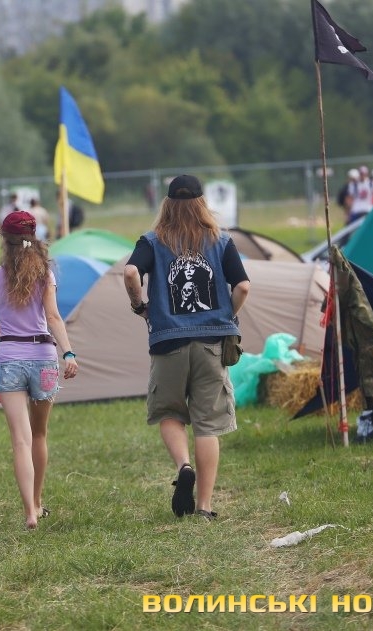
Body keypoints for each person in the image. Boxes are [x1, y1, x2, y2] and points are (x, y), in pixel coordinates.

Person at [122, 174, 250, 522]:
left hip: (169, 341)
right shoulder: (221, 240)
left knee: (169, 413)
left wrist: (140, 307)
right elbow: (242, 287)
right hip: (212, 343)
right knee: (207, 425)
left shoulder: (152, 241)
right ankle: (204, 507)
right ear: (202, 204)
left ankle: (184, 466)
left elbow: (131, 272)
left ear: (167, 205)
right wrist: (226, 316)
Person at [0, 210, 78, 529]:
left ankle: (30, 513)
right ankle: (37, 500)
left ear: (4, 241)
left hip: (9, 358)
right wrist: (68, 352)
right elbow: (54, 317)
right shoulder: (46, 275)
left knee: (20, 441)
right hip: (45, 357)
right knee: (39, 434)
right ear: (34, 238)